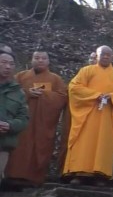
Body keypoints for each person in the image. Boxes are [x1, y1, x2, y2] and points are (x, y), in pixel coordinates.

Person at [63, 46, 113, 186]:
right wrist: (95, 95)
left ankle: (101, 175)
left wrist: (112, 96)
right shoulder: (87, 71)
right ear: (96, 56)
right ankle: (79, 172)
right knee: (84, 142)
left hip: (107, 116)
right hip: (87, 115)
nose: (105, 57)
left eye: (108, 55)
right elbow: (74, 87)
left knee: (103, 144)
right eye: (102, 54)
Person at [4, 51, 67, 187]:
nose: (40, 60)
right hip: (22, 120)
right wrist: (27, 92)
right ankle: (13, 176)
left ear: (48, 61)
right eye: (37, 58)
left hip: (43, 122)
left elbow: (62, 98)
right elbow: (10, 92)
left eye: (44, 58)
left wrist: (44, 95)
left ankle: (35, 178)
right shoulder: (20, 76)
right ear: (31, 60)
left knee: (41, 147)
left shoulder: (55, 79)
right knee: (20, 146)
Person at [57, 50, 97, 172]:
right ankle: (68, 170)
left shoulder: (109, 77)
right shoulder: (82, 74)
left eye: (95, 58)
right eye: (91, 57)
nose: (92, 60)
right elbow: (73, 90)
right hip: (76, 116)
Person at [0, 51, 29, 181]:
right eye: (4, 63)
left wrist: (10, 125)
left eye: (11, 64)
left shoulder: (18, 92)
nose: (8, 67)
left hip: (3, 143)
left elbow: (24, 118)